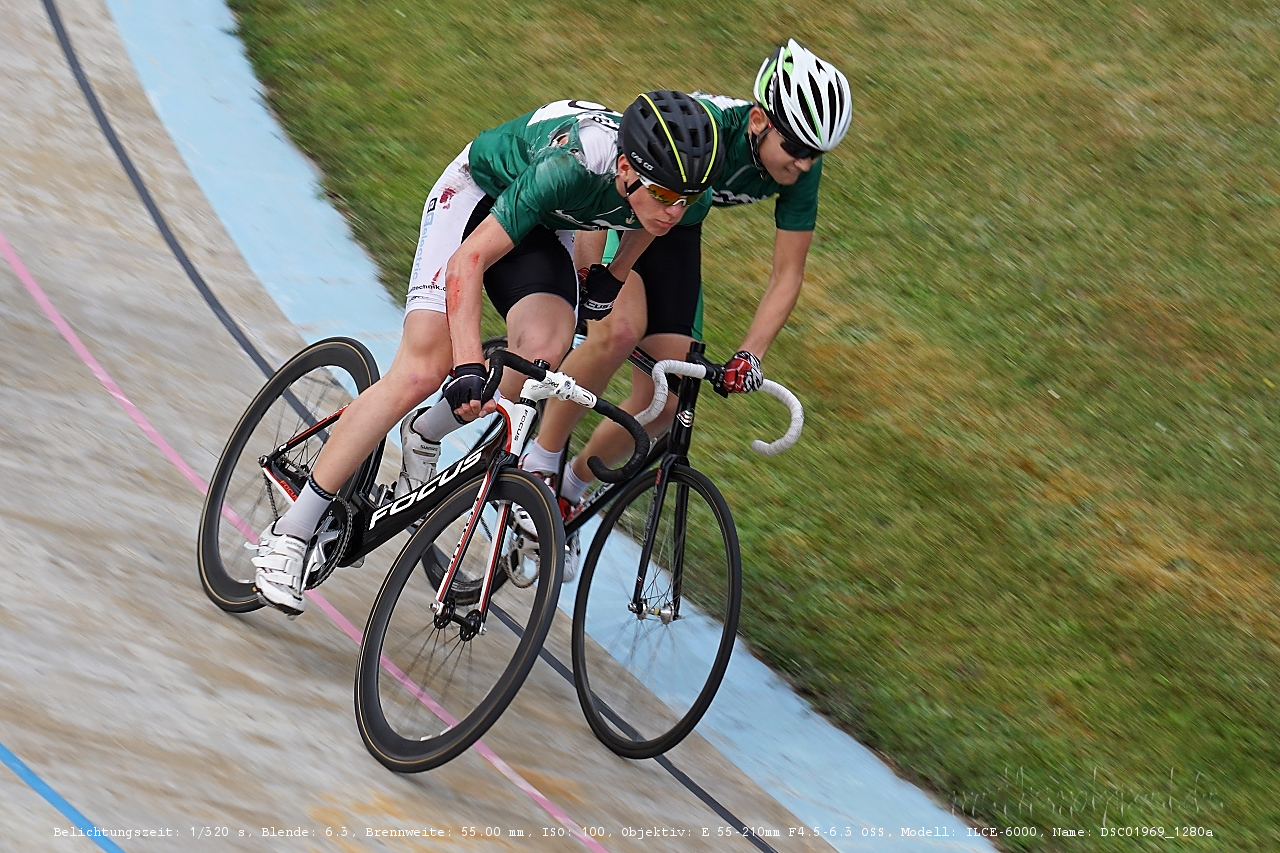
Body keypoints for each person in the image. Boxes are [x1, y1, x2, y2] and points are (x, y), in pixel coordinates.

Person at [251, 91, 725, 616]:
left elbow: (644, 224)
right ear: (625, 168)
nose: (674, 211)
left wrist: (611, 275)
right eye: (664, 195)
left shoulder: (682, 194)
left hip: (547, 221)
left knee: (542, 353)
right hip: (479, 198)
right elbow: (467, 262)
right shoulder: (569, 166)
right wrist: (467, 366)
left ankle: (426, 430)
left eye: (685, 198)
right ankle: (291, 534)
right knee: (423, 371)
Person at [520, 40, 853, 573]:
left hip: (678, 229)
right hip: (632, 208)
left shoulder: (799, 169)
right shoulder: (712, 131)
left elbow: (788, 273)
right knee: (619, 331)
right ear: (760, 121)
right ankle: (539, 463)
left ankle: (570, 490)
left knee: (669, 399)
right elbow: (616, 178)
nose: (804, 162)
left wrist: (750, 354)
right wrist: (590, 279)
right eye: (795, 145)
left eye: (816, 153)